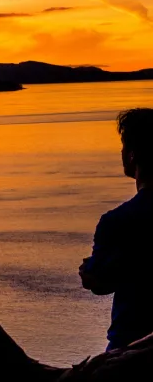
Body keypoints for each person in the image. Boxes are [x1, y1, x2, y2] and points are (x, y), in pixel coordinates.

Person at [79, 108, 153, 351]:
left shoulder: (118, 221)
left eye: (123, 146)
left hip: (130, 352)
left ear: (132, 155)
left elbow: (100, 283)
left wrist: (89, 271)